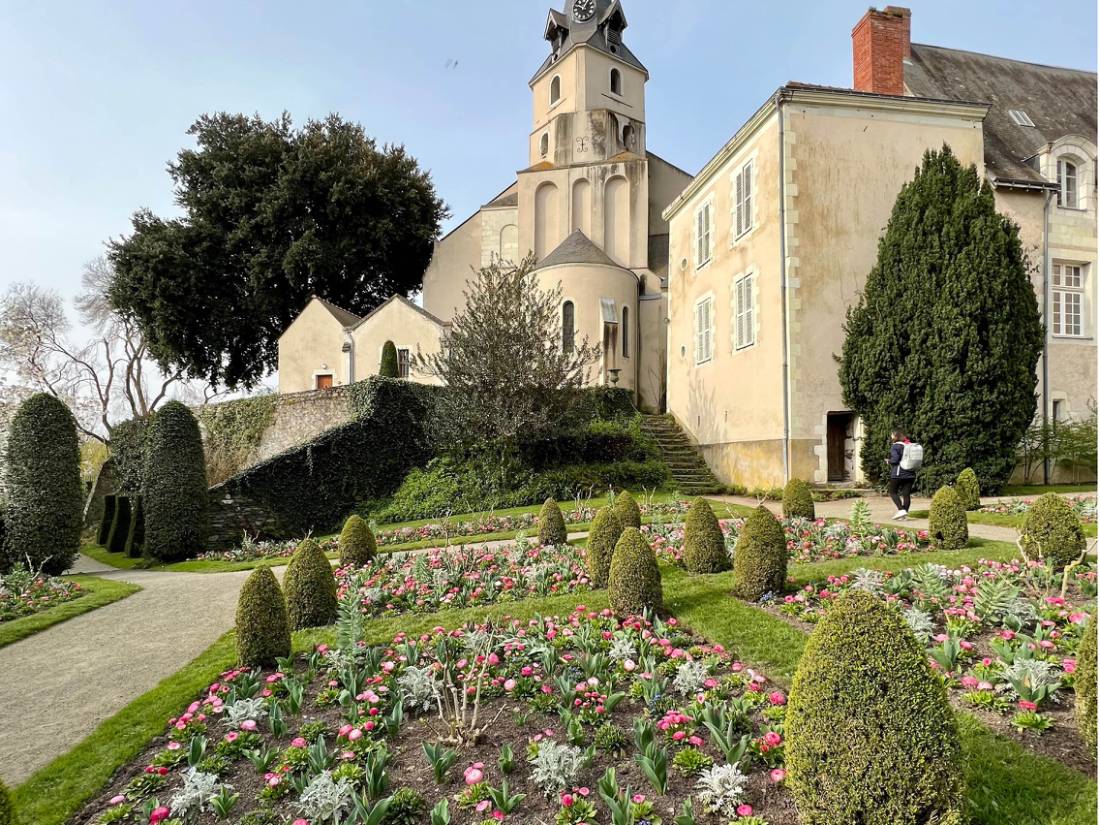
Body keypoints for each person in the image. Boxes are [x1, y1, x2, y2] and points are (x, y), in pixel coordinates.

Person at [887, 428, 916, 519]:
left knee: (893, 492)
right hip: (910, 474)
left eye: (892, 434)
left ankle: (901, 510)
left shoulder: (896, 446)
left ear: (896, 436)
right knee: (906, 494)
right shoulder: (910, 445)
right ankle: (904, 514)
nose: (891, 436)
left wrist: (889, 461)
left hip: (898, 474)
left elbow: (895, 460)